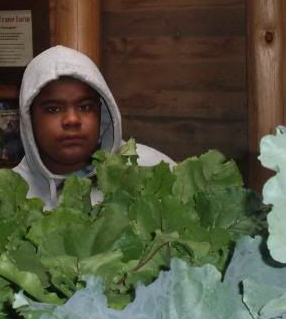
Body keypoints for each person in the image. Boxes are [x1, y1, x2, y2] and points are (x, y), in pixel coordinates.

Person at [12, 45, 175, 210]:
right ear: (29, 118)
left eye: (85, 107)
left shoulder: (153, 171)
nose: (72, 120)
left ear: (102, 114)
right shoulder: (9, 195)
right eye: (53, 109)